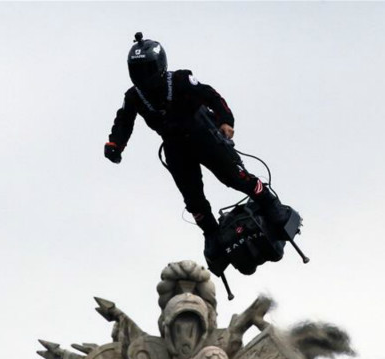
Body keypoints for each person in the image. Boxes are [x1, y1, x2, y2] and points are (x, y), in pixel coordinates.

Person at [104, 32, 290, 263]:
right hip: (175, 148)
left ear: (159, 66)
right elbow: (124, 121)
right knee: (193, 199)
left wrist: (226, 121)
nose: (144, 76)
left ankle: (268, 201)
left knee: (235, 178)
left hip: (204, 136)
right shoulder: (133, 97)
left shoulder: (180, 80)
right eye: (138, 71)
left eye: (148, 69)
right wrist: (115, 144)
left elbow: (212, 96)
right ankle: (211, 234)